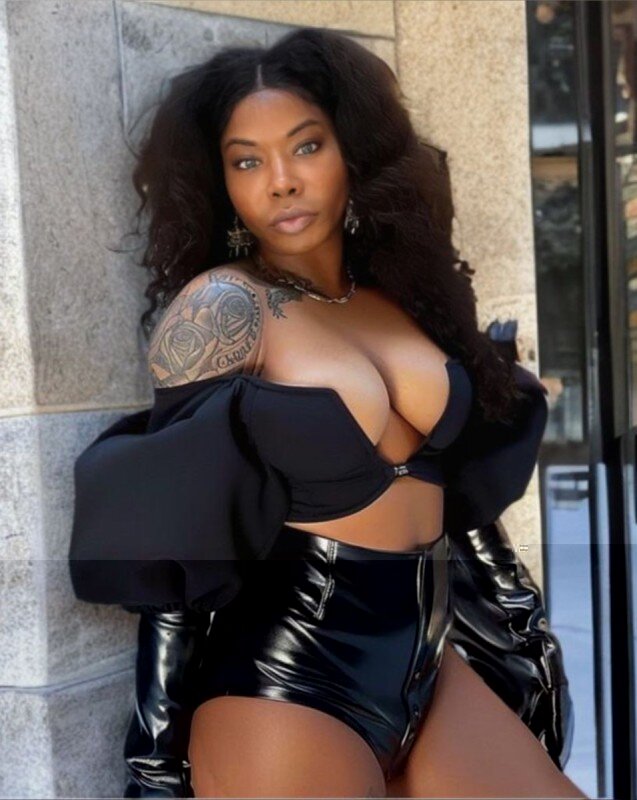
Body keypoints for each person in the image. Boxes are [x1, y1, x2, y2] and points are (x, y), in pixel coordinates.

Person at [68, 27, 588, 798]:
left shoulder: (405, 294)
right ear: (220, 180)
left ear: (354, 153)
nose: (280, 182)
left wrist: (521, 620)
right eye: (247, 160)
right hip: (286, 682)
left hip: (430, 671)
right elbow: (177, 543)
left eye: (305, 147)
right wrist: (153, 764)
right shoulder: (223, 309)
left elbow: (459, 489)